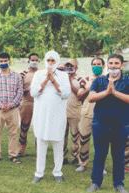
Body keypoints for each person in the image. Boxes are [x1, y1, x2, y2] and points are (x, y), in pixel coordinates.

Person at [87, 54, 129, 193]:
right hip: (100, 124)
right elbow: (91, 97)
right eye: (110, 63)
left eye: (116, 63)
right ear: (107, 65)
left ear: (121, 65)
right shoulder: (99, 81)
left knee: (118, 156)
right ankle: (96, 183)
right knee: (99, 155)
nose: (113, 66)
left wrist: (115, 92)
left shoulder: (127, 81)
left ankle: (118, 184)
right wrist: (106, 92)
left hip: (121, 125)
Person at [30, 51, 71, 183]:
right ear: (45, 61)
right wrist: (46, 79)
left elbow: (66, 94)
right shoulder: (38, 74)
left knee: (58, 144)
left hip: (57, 115)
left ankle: (57, 172)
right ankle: (39, 173)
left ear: (57, 61)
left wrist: (53, 81)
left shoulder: (63, 75)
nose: (50, 63)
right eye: (48, 60)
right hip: (42, 115)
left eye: (53, 61)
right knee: (41, 143)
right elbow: (33, 92)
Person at [0, 52, 23, 164]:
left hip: (13, 110)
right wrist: (0, 105)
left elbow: (20, 93)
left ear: (9, 61)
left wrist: (11, 105)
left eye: (5, 61)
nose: (3, 63)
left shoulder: (17, 76)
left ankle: (13, 155)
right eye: (1, 61)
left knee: (13, 134)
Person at [76, 58, 105, 172]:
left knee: (101, 142)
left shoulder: (108, 80)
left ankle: (100, 166)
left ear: (103, 66)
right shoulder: (85, 80)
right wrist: (90, 87)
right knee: (83, 139)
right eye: (94, 64)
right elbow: (79, 96)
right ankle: (83, 164)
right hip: (86, 114)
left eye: (99, 64)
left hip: (102, 115)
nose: (96, 66)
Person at [18, 53, 40, 156]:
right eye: (32, 60)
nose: (34, 62)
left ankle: (39, 149)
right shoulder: (23, 74)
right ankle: (21, 149)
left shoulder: (41, 73)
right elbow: (18, 89)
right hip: (27, 102)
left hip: (39, 103)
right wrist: (26, 90)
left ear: (39, 61)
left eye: (36, 60)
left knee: (39, 127)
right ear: (28, 61)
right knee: (24, 126)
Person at [63, 59, 82, 165]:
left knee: (75, 136)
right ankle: (63, 157)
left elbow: (80, 95)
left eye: (72, 66)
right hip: (62, 112)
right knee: (62, 136)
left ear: (76, 68)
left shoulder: (80, 80)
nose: (69, 69)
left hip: (75, 112)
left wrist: (70, 82)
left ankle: (75, 157)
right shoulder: (61, 78)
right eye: (67, 66)